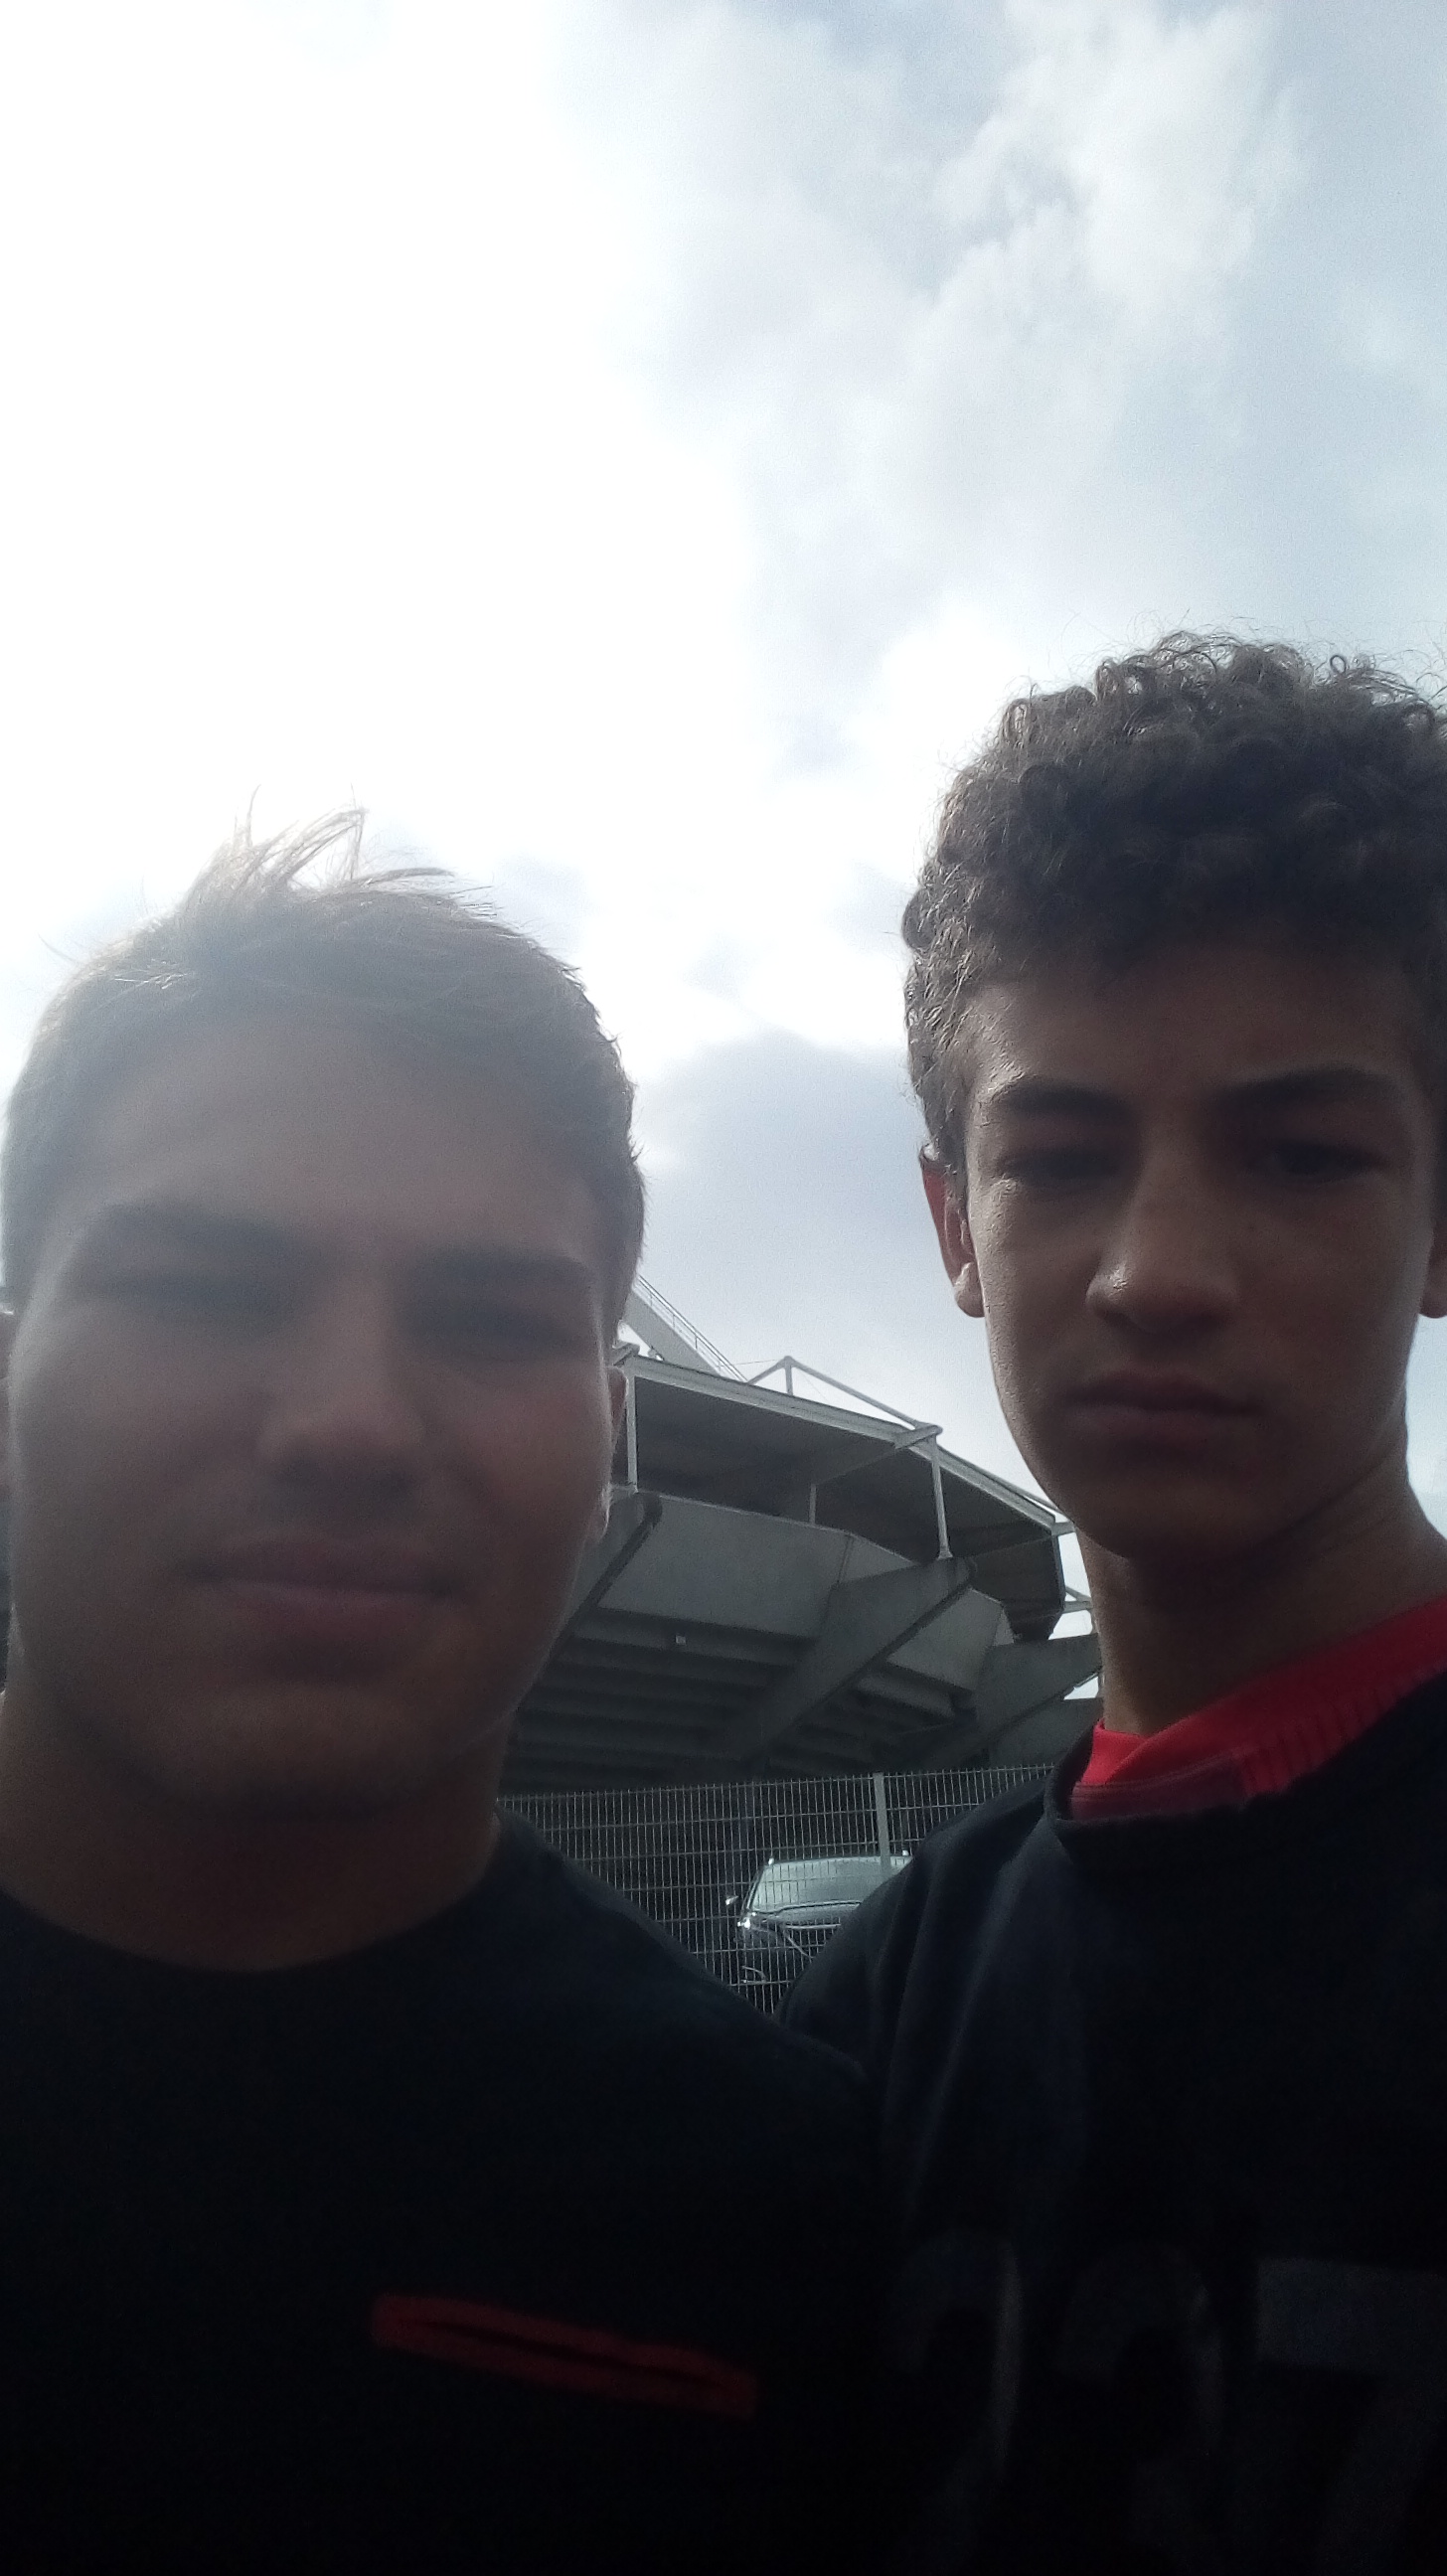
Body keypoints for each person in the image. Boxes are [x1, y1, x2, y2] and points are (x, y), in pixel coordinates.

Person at [0, 818, 878, 2575]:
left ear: (609, 1425)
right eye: (206, 1288)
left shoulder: (785, 2207)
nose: (349, 1422)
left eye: (491, 1322)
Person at [787, 636, 1447, 2572]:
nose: (1155, 1270)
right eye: (1060, 1158)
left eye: (1298, 1153)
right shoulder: (877, 2014)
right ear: (953, 1226)